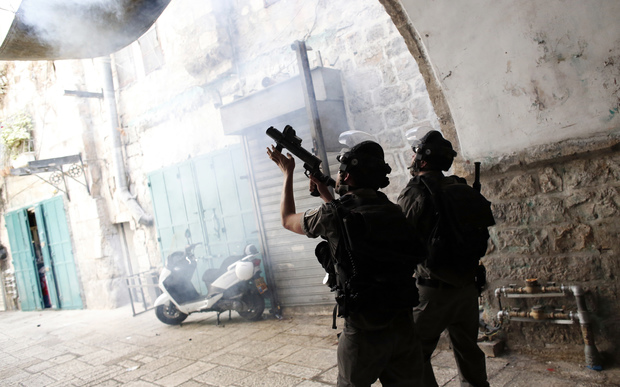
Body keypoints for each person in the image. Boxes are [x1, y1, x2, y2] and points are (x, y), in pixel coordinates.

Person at [267, 139, 424, 387]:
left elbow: (287, 219)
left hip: (364, 330)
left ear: (348, 175)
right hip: (402, 323)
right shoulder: (394, 210)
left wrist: (288, 173)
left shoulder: (332, 215)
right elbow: (352, 226)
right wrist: (326, 194)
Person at [397, 130, 490, 387]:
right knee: (468, 349)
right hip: (467, 288)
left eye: (416, 154)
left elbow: (401, 238)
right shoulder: (460, 187)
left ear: (423, 161)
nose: (413, 158)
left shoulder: (415, 192)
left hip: (432, 293)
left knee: (413, 352)